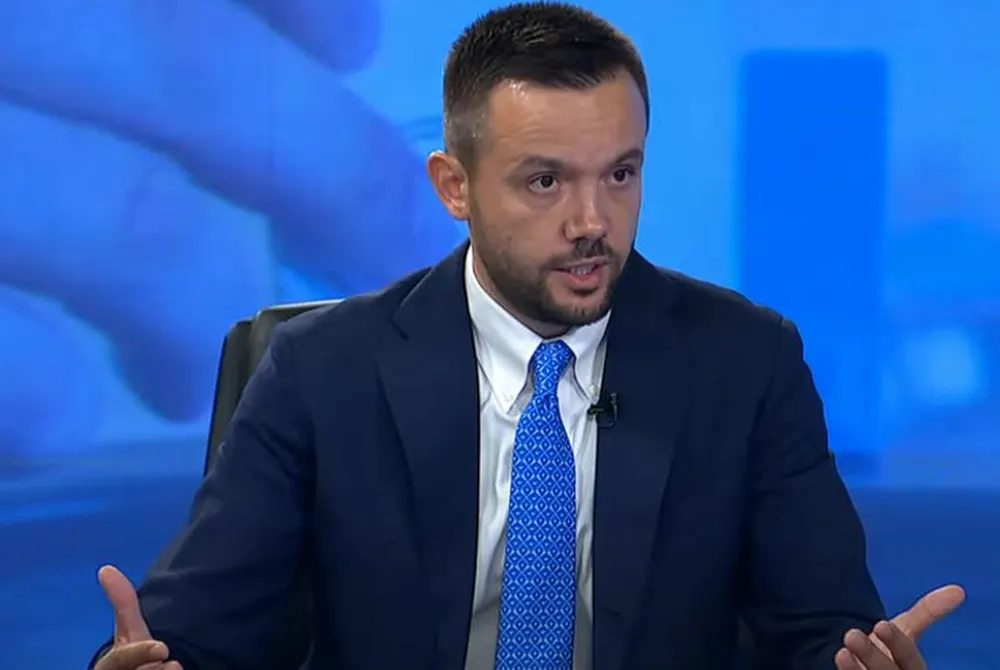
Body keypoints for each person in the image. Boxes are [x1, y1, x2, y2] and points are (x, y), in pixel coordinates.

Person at [89, 3, 965, 669]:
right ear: (454, 186)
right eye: (546, 182)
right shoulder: (323, 371)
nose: (593, 222)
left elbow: (819, 630)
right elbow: (193, 636)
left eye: (620, 174)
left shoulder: (745, 362)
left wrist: (860, 664)